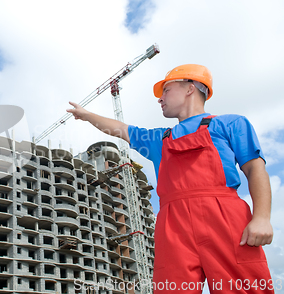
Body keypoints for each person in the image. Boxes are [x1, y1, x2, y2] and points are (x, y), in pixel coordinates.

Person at [67, 64, 274, 293]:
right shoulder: (160, 138)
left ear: (190, 88)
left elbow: (255, 170)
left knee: (244, 287)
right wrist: (86, 116)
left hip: (224, 215)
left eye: (166, 90)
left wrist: (262, 217)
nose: (160, 98)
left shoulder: (230, 124)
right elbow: (121, 129)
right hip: (172, 225)